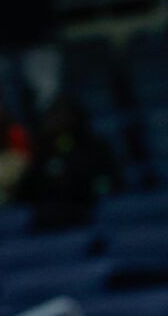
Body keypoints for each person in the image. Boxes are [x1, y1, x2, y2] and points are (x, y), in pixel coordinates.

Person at [14, 96, 121, 229]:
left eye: (63, 115)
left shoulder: (96, 148)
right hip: (47, 221)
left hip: (87, 215)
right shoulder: (43, 153)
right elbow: (24, 192)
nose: (58, 120)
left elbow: (110, 184)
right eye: (54, 115)